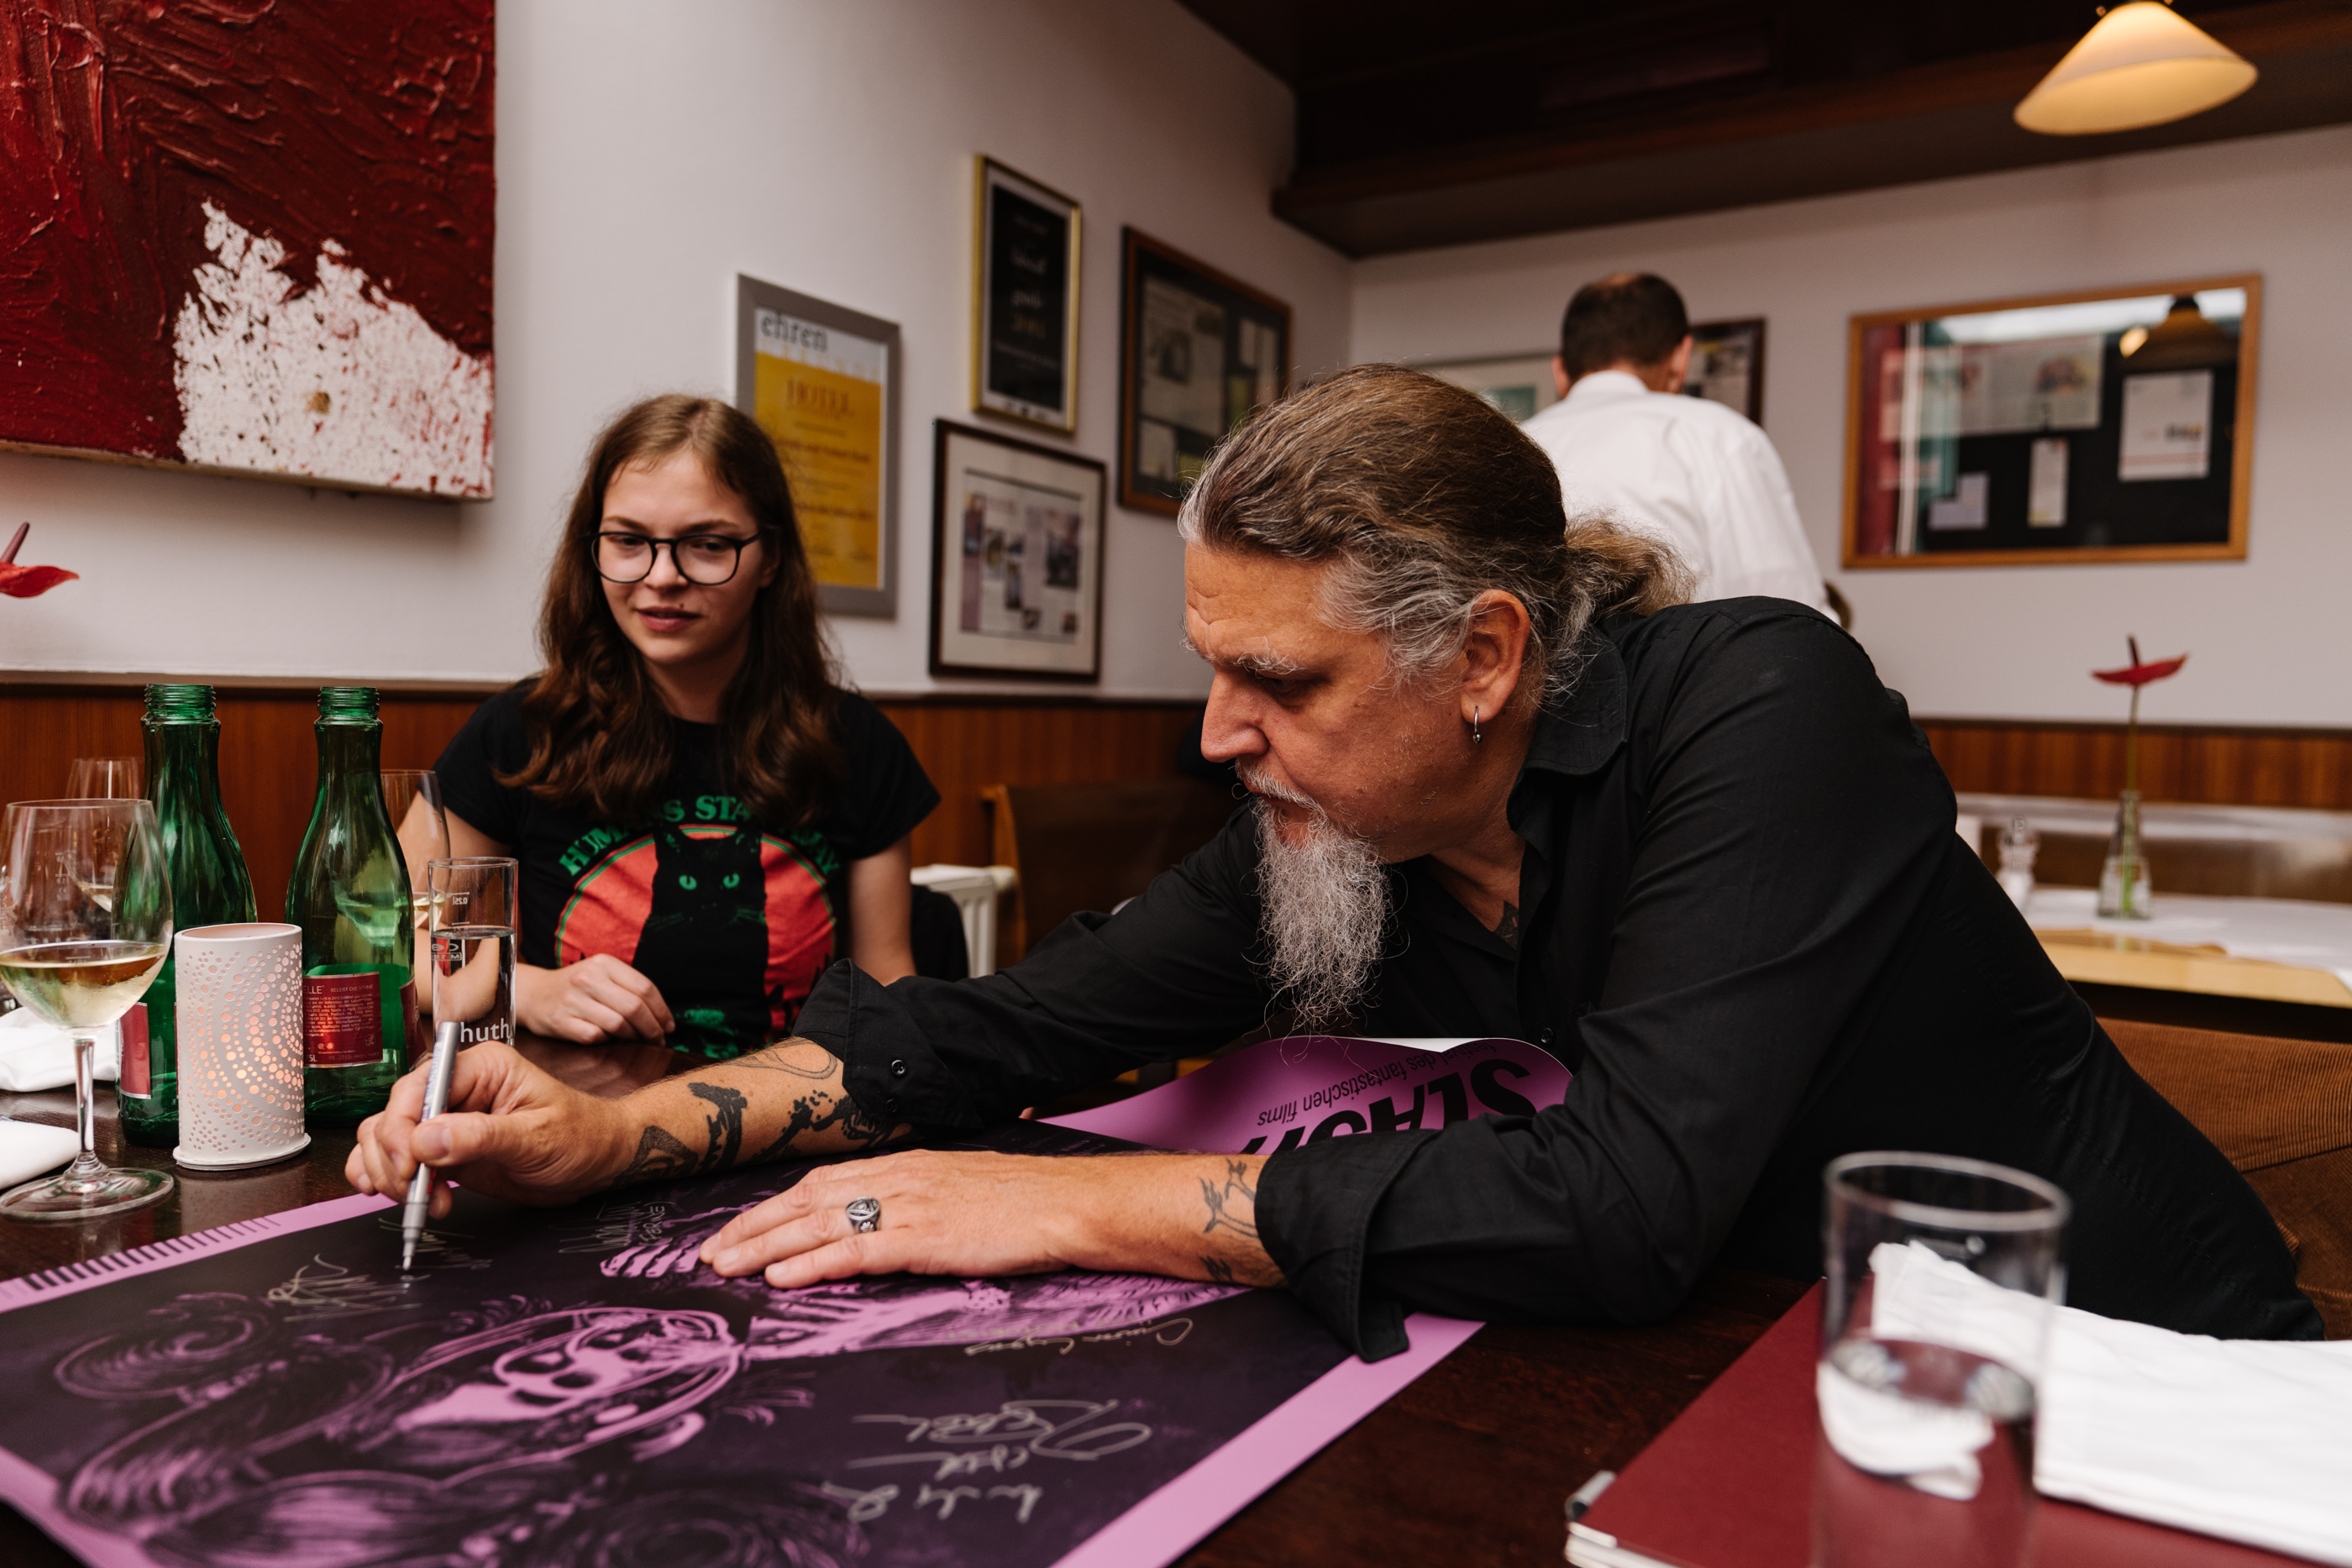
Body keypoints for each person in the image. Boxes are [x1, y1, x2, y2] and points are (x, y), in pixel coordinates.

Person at [354, 367, 2318, 1360]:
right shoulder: (1335, 827)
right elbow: (997, 1027)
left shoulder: (1759, 706)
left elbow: (1622, 1200)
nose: (1221, 735)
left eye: (1277, 681)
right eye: (1213, 672)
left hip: (2136, 1377)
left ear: (1485, 658)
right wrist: (613, 1137)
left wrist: (1071, 1207)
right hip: (1773, 1377)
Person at [429, 395, 939, 1063]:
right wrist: (523, 989)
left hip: (789, 1110)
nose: (662, 577)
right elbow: (389, 945)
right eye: (629, 541)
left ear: (770, 558)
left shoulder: (858, 743)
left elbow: (886, 983)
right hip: (578, 1110)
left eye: (707, 545)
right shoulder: (518, 733)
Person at [1522, 272, 1830, 614]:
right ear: (1681, 358)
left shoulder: (1515, 446)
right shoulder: (1716, 435)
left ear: (1559, 372)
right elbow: (1785, 614)